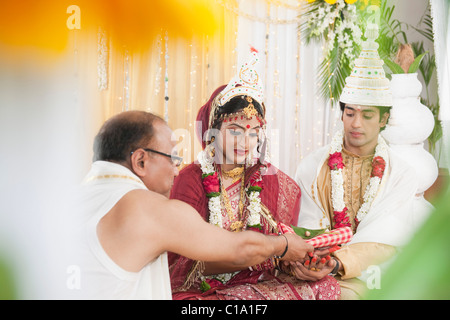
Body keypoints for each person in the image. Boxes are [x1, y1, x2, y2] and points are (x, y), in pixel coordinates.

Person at [72, 110, 313, 300]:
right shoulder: (146, 208)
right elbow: (240, 250)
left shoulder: (71, 198)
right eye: (173, 158)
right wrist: (283, 246)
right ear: (141, 161)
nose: (176, 170)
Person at [168, 49, 340, 300]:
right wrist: (274, 253)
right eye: (235, 130)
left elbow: (277, 241)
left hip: (252, 281)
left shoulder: (265, 177)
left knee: (326, 287)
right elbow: (188, 263)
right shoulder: (191, 179)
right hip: (201, 287)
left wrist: (292, 263)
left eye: (253, 132)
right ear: (213, 130)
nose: (245, 142)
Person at [293, 25, 420, 299]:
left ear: (384, 119)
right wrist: (311, 261)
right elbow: (305, 226)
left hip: (368, 276)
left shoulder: (402, 175)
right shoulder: (312, 166)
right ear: (342, 114)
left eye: (368, 115)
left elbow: (387, 240)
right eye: (350, 112)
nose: (356, 123)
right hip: (309, 270)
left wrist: (337, 263)